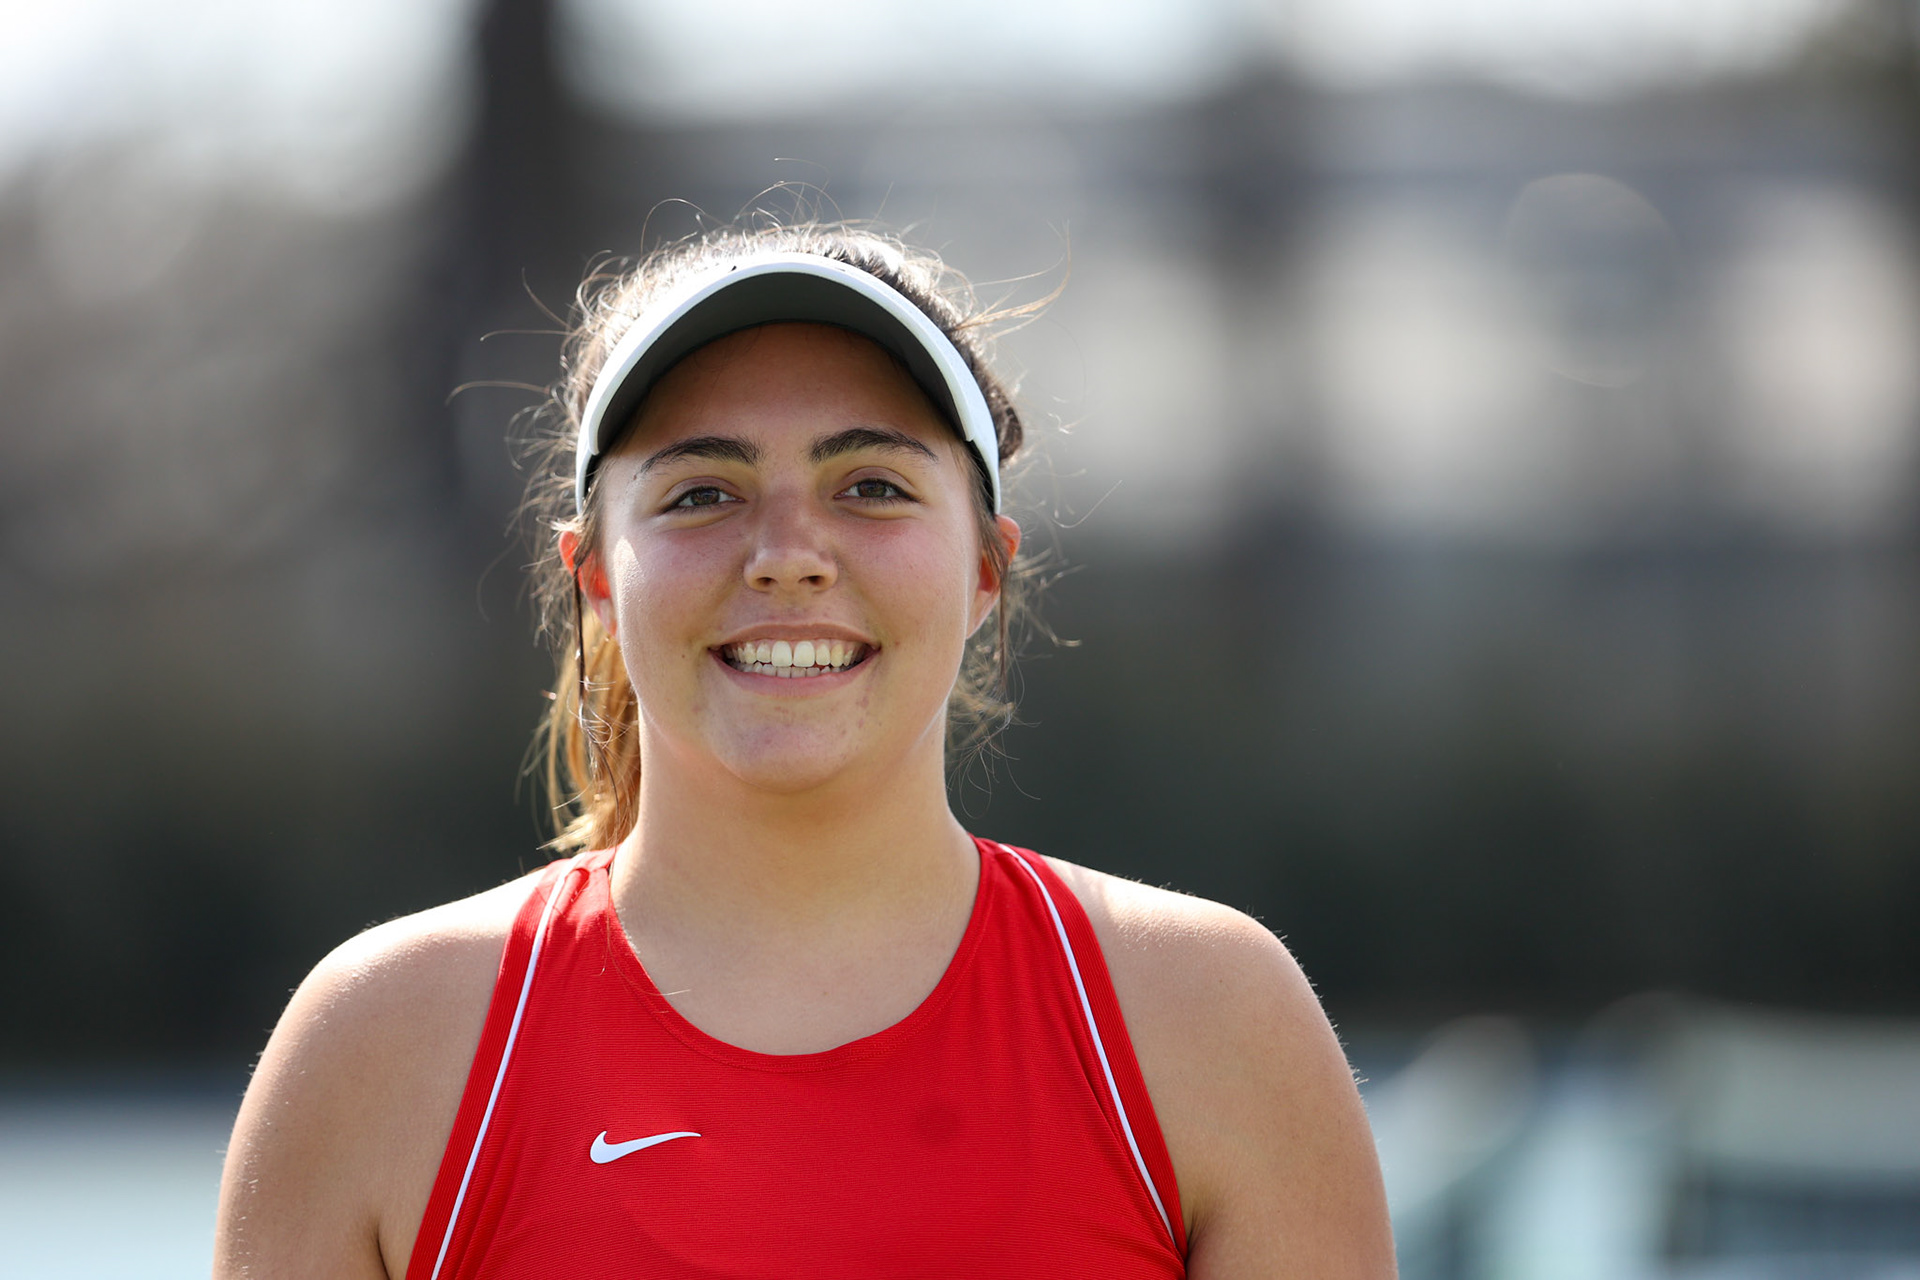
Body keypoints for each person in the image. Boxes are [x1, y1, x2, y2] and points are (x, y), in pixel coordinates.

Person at [213, 223, 1395, 1278]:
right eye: (700, 493)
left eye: (870, 484)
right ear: (593, 579)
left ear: (986, 567)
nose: (788, 552)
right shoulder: (381, 1047)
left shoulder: (1206, 1019)